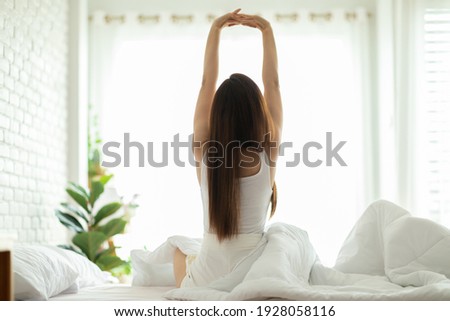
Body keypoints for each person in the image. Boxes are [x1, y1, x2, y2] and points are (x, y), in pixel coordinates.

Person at [173, 9, 283, 288]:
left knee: (177, 249)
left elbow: (205, 84)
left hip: (207, 276)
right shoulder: (268, 149)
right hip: (253, 272)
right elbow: (273, 84)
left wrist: (216, 29)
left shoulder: (205, 152)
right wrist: (266, 30)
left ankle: (194, 289)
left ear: (217, 116)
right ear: (258, 114)